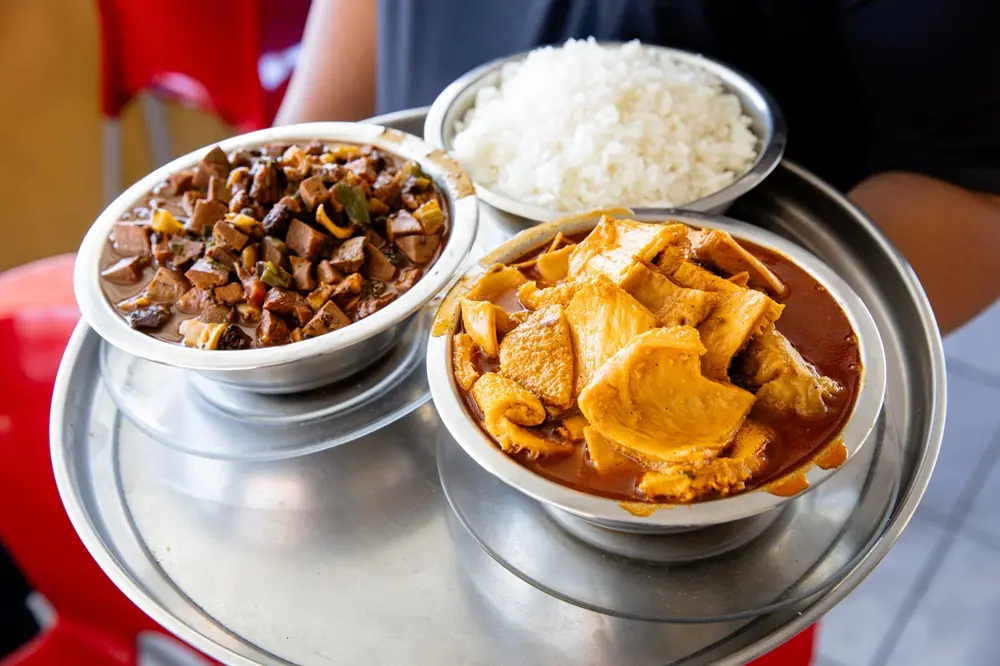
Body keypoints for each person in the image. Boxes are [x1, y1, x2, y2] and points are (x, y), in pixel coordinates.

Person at [275, 0, 1000, 335]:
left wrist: (728, 354)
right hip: (384, 303)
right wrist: (287, 177)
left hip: (682, 526)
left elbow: (968, 182)